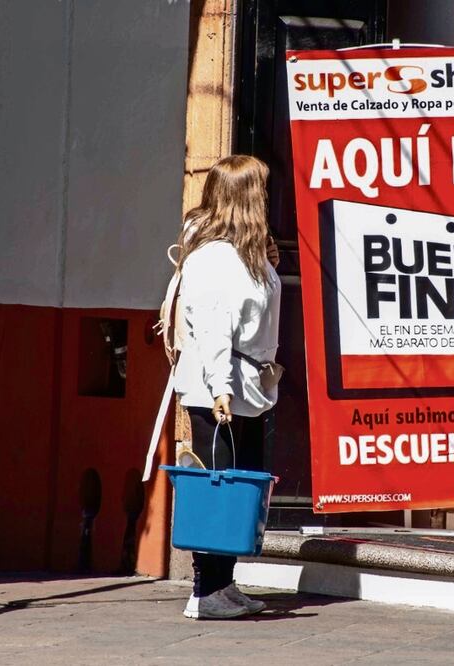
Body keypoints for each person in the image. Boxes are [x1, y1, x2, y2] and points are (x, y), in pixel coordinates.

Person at [172, 155, 281, 619]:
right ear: (247, 197)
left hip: (248, 388)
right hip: (223, 388)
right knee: (217, 490)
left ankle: (225, 583)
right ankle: (205, 590)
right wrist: (220, 389)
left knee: (238, 490)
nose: (269, 197)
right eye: (262, 189)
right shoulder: (215, 258)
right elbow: (214, 328)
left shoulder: (247, 253)